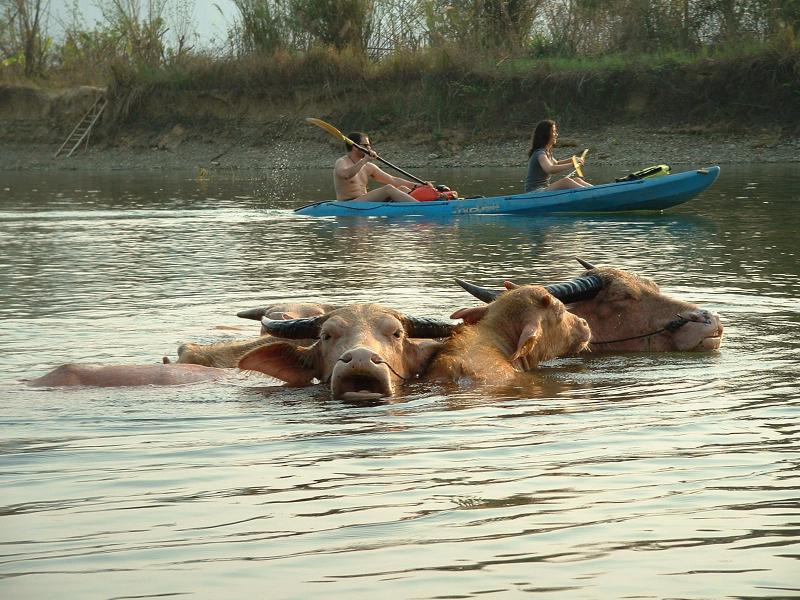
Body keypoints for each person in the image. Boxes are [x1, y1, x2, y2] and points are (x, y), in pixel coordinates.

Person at [334, 132, 429, 202]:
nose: (369, 149)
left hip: (364, 201)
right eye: (366, 145)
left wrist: (418, 186)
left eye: (369, 146)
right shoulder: (342, 162)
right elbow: (345, 174)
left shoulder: (368, 166)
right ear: (355, 146)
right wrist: (364, 160)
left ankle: (432, 202)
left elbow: (393, 180)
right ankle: (421, 208)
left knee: (403, 189)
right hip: (348, 203)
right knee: (388, 189)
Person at [524, 120, 592, 193]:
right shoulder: (540, 154)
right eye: (553, 131)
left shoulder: (546, 152)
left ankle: (596, 190)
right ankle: (591, 193)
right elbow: (550, 169)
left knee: (577, 180)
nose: (556, 134)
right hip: (534, 192)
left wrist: (573, 159)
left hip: (543, 189)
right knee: (566, 182)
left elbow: (557, 163)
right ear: (546, 135)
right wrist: (572, 164)